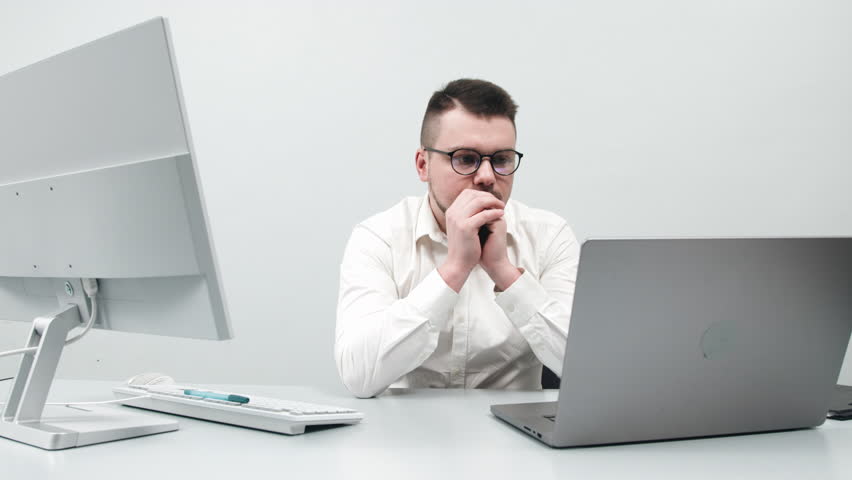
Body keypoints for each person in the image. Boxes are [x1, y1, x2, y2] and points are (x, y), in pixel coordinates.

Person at [335, 79, 580, 398]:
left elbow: (587, 368)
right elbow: (358, 376)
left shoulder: (549, 236)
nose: (487, 177)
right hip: (405, 427)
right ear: (423, 165)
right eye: (465, 158)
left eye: (502, 159)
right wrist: (454, 270)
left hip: (513, 428)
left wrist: (504, 272)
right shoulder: (378, 238)